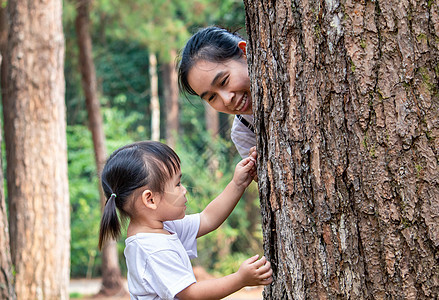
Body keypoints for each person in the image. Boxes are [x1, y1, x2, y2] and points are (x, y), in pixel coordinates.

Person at [98, 141, 272, 299]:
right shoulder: (152, 248)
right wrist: (240, 279)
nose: (184, 191)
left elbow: (207, 219)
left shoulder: (162, 228)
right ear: (150, 199)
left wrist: (238, 184)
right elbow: (191, 293)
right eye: (177, 184)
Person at [178, 26, 256, 159]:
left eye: (224, 81)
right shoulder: (243, 134)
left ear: (244, 52)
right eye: (212, 97)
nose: (226, 99)